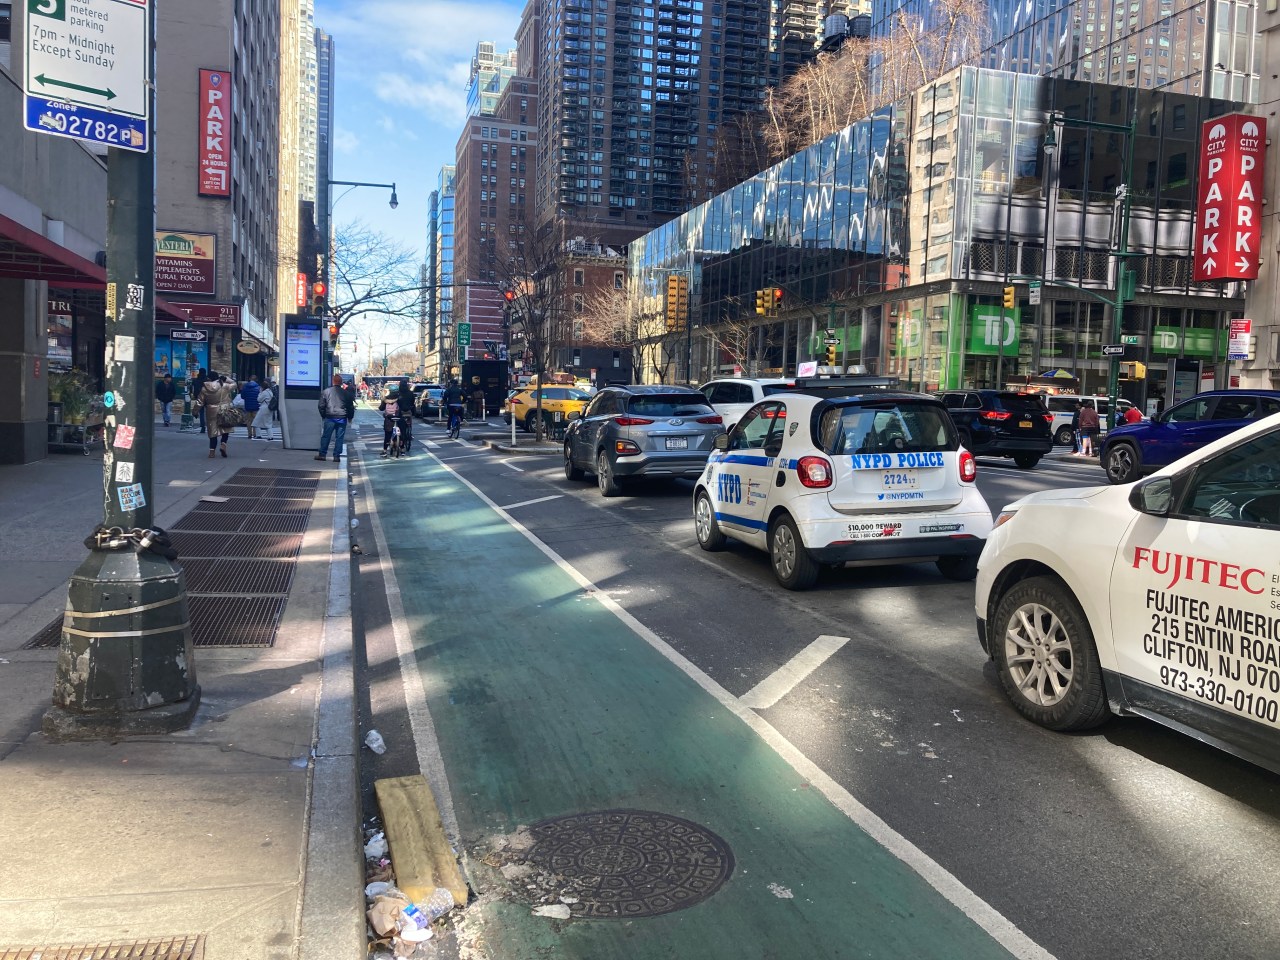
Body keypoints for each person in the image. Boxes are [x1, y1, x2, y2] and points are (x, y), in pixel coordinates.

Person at [195, 372, 236, 458]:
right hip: (224, 408)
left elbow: (199, 402)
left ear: (208, 378)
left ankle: (212, 451)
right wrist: (226, 379)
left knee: (212, 431)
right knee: (225, 428)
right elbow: (234, 384)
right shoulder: (224, 386)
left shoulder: (204, 388)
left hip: (211, 410)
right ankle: (223, 444)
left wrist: (195, 412)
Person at [317, 373, 353, 463]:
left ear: (333, 381)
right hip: (342, 418)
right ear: (341, 383)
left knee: (326, 436)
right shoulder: (346, 393)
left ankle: (322, 454)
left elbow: (321, 405)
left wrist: (323, 415)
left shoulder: (326, 392)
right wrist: (350, 417)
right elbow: (350, 407)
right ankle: (336, 456)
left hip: (330, 417)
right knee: (339, 438)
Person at [379, 384, 411, 457]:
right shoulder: (399, 399)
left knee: (387, 435)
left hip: (389, 419)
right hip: (398, 418)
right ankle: (402, 449)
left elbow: (381, 408)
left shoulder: (385, 400)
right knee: (402, 432)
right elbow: (404, 408)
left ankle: (384, 450)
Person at [395, 378, 414, 452]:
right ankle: (409, 433)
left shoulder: (398, 393)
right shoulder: (410, 393)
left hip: (400, 412)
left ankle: (399, 438)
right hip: (408, 411)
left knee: (399, 425)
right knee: (409, 423)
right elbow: (413, 402)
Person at [240, 374, 261, 439]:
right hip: (256, 406)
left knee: (248, 420)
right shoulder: (258, 387)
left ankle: (249, 434)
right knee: (255, 420)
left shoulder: (245, 387)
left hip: (248, 405)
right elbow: (260, 397)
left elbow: (242, 396)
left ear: (250, 379)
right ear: (256, 380)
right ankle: (255, 434)